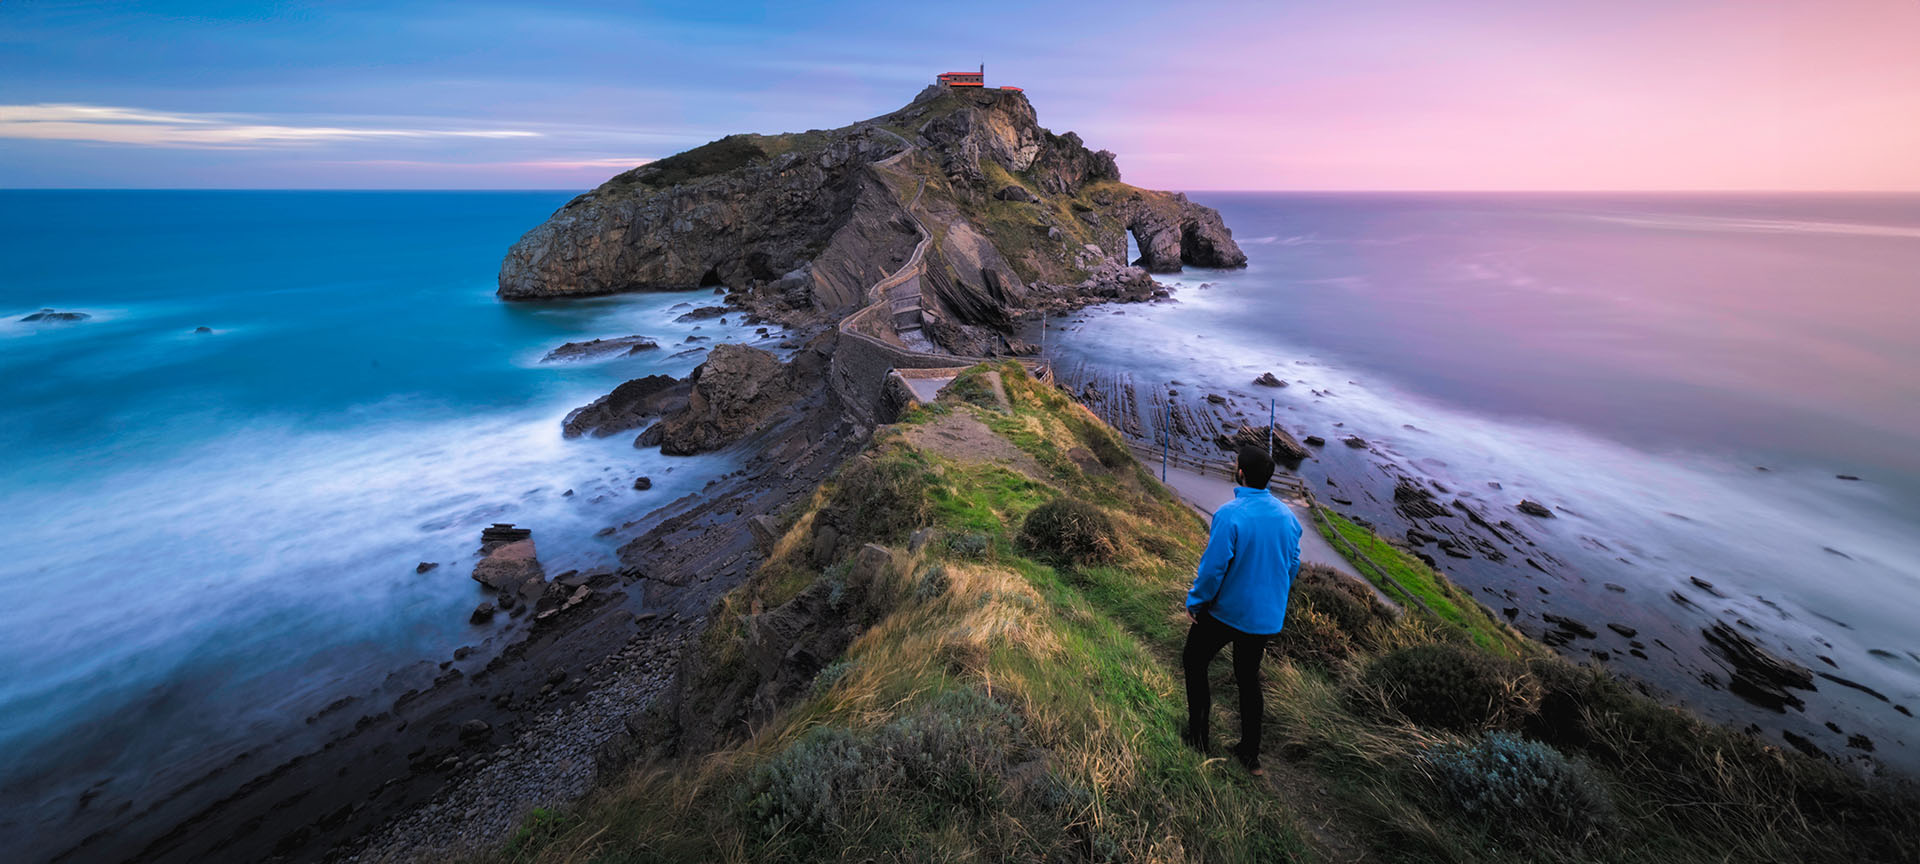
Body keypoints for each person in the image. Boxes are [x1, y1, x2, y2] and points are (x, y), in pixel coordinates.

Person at [1182, 445, 1302, 776]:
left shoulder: (1230, 514)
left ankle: (1199, 739)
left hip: (1227, 612)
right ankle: (1250, 756)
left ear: (1240, 473)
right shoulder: (1288, 518)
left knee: (1194, 661)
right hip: (1264, 617)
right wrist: (1274, 594)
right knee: (1248, 678)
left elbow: (1213, 569)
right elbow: (1293, 564)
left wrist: (1196, 601)